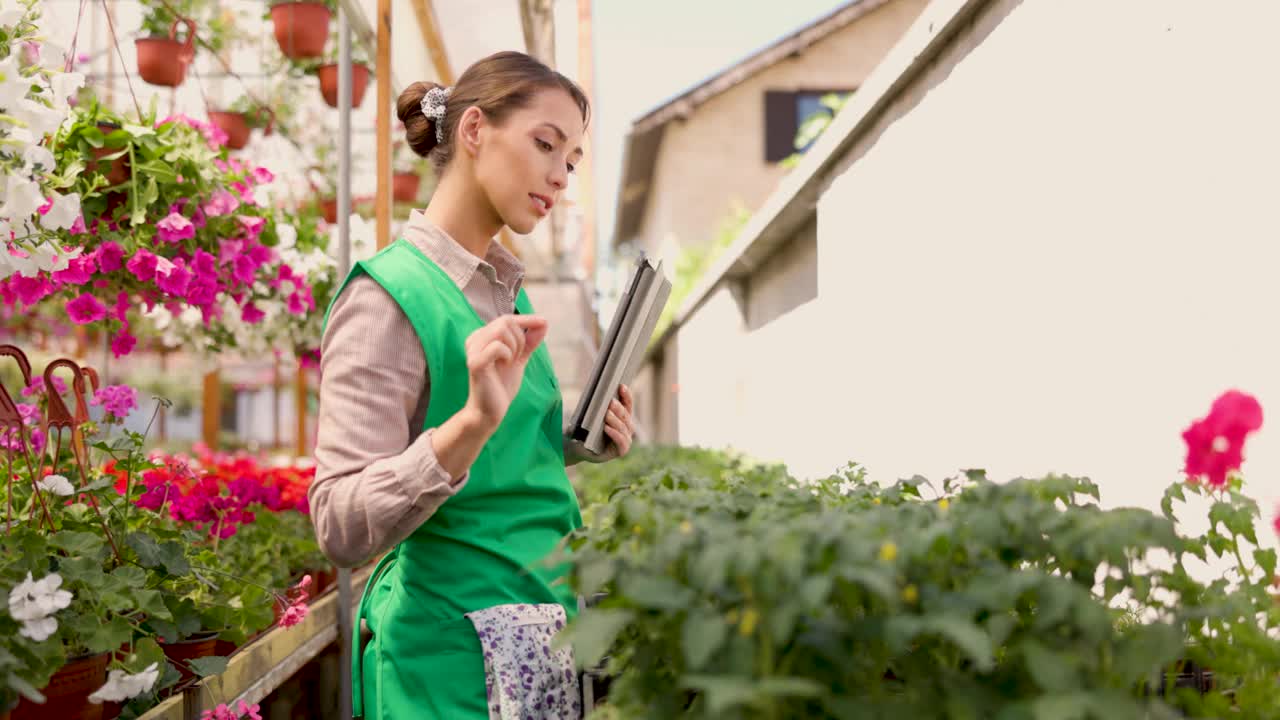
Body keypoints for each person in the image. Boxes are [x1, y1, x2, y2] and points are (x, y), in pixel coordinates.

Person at [310, 50, 636, 719]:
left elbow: (495, 466)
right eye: (545, 144)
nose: (558, 176)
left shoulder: (505, 296)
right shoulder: (386, 297)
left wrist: (578, 441)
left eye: (571, 161)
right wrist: (470, 425)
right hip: (451, 660)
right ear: (475, 130)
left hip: (538, 638)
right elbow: (339, 523)